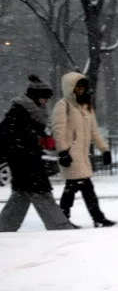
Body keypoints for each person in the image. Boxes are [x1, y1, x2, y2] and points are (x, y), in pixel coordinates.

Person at [0, 75, 78, 232]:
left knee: (21, 195)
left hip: (25, 160)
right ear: (35, 97)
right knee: (41, 193)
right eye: (44, 98)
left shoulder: (30, 112)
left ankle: (5, 226)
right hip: (25, 162)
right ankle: (59, 226)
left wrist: (41, 141)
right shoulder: (20, 112)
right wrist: (32, 146)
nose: (46, 101)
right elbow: (11, 137)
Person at [51, 71, 116, 227]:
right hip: (71, 154)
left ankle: (63, 220)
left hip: (82, 155)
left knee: (75, 187)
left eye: (82, 87)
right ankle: (95, 218)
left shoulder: (86, 106)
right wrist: (62, 151)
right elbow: (58, 130)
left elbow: (94, 131)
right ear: (69, 87)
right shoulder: (63, 105)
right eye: (77, 86)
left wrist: (104, 149)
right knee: (83, 186)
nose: (80, 90)